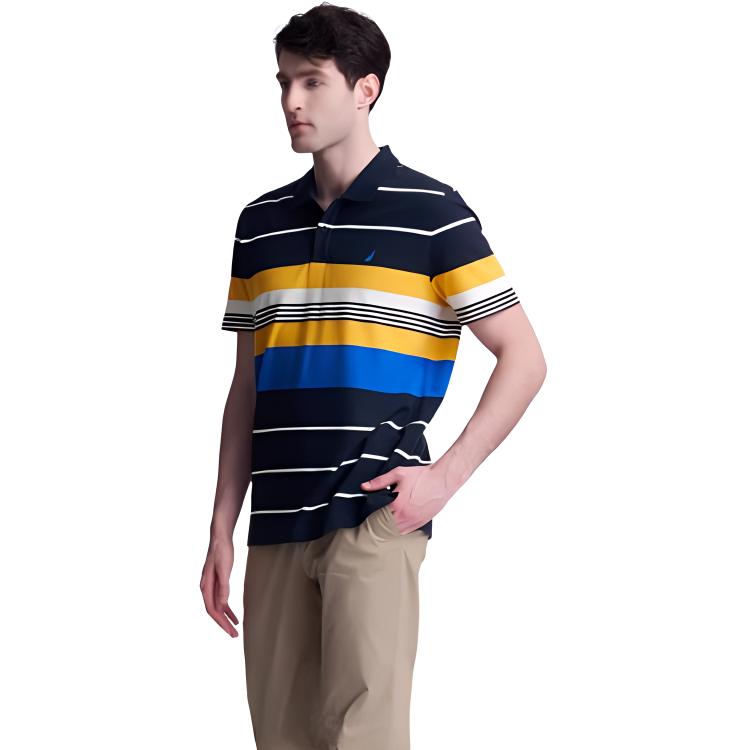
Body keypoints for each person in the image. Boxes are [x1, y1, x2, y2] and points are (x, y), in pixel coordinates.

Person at [200, 4, 547, 748]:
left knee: (365, 739)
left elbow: (524, 357)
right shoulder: (259, 224)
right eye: (283, 82)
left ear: (366, 89)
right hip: (275, 522)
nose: (291, 101)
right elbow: (246, 389)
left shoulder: (432, 212)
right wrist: (222, 525)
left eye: (312, 82)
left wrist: (444, 478)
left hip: (373, 513)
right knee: (281, 739)